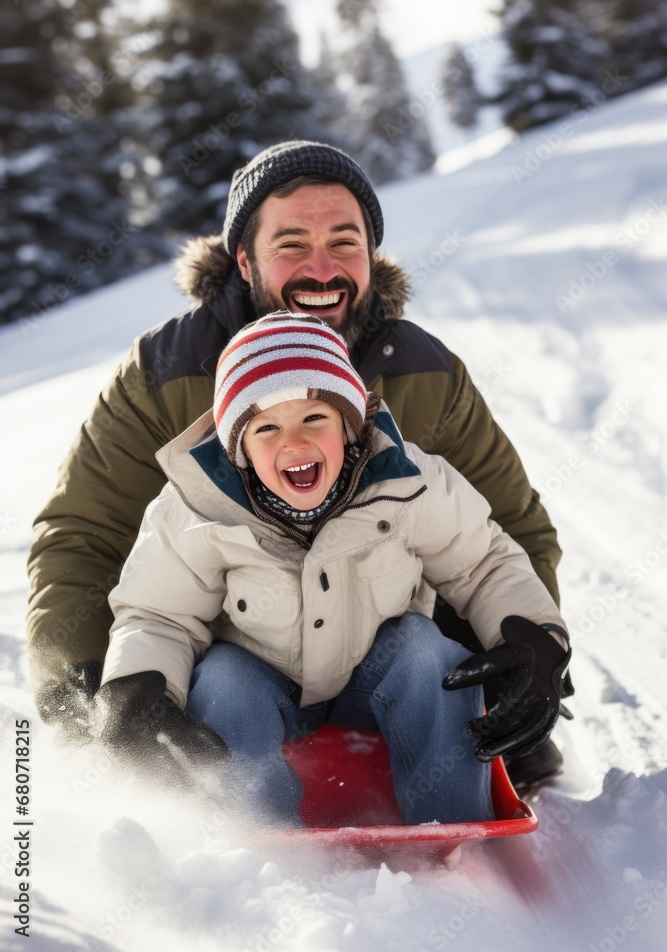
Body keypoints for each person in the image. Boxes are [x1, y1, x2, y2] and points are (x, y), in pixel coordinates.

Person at [27, 140, 565, 785]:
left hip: (392, 653)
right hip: (238, 660)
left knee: (426, 657)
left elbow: (503, 531)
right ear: (244, 259)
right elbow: (84, 538)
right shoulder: (163, 373)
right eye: (291, 244)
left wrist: (522, 656)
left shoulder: (426, 372)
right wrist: (103, 693)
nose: (321, 268)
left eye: (344, 242)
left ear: (371, 256)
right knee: (219, 687)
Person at [93, 311, 571, 827]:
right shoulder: (196, 509)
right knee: (223, 681)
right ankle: (252, 838)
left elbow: (483, 564)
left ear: (349, 423)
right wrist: (137, 690)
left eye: (314, 418)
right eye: (267, 427)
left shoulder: (410, 482)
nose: (293, 444)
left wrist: (534, 641)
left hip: (375, 669)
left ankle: (453, 828)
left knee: (430, 653)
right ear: (240, 449)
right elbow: (159, 614)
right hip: (261, 675)